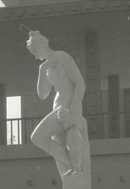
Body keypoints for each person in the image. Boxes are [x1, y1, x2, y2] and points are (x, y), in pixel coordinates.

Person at [26, 30, 88, 178]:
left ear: (41, 44)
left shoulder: (62, 57)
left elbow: (80, 84)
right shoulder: (45, 68)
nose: (35, 53)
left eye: (34, 48)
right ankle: (71, 168)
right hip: (58, 107)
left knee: (38, 137)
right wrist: (42, 70)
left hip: (69, 107)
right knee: (57, 146)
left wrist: (73, 111)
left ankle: (75, 169)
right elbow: (42, 95)